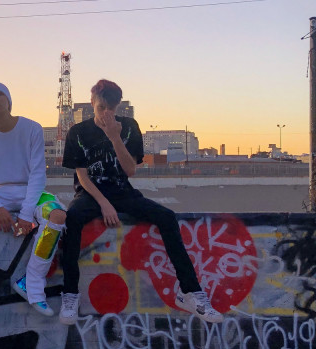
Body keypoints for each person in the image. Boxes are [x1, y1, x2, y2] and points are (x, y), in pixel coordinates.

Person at [60, 79, 223, 325]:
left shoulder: (128, 127)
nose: (106, 114)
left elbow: (130, 170)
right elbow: (82, 176)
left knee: (167, 217)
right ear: (92, 102)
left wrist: (114, 137)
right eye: (101, 107)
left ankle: (189, 292)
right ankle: (70, 295)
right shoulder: (78, 132)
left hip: (122, 191)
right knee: (72, 219)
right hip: (91, 193)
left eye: (111, 108)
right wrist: (104, 203)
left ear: (118, 106)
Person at [0, 82, 67, 318]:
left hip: (29, 190)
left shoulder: (32, 128)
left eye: (0, 94)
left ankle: (32, 283)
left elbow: (38, 174)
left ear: (8, 100)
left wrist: (26, 214)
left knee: (57, 215)